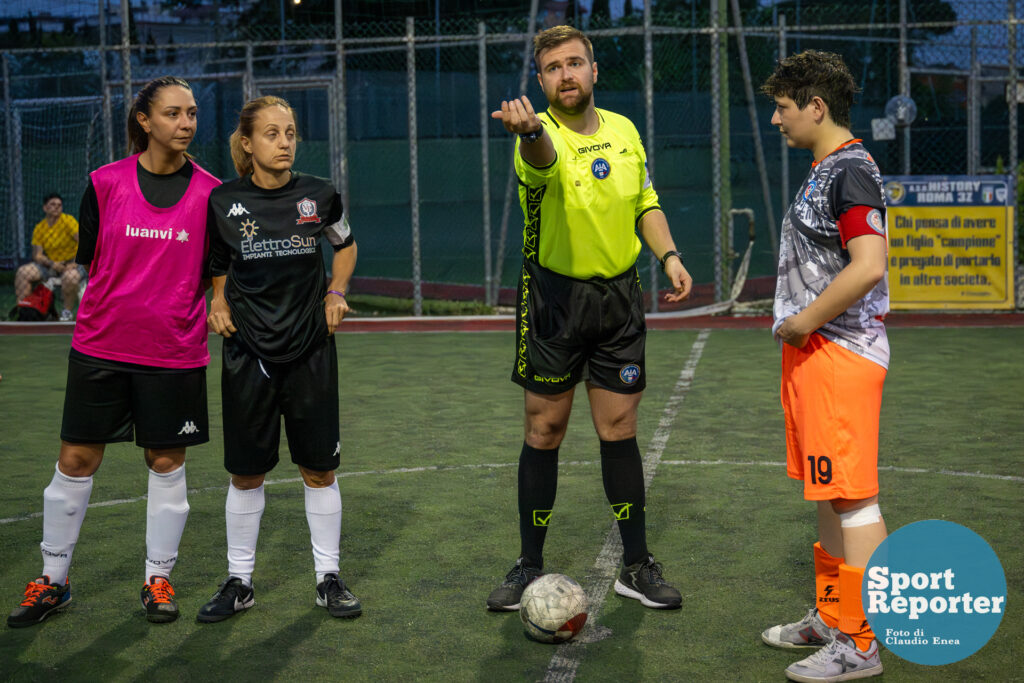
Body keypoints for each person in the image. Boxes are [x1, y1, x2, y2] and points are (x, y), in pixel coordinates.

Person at [485, 25, 693, 613]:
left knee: (619, 432)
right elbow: (541, 162)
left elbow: (644, 201)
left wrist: (669, 256)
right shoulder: (537, 135)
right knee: (543, 431)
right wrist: (528, 134)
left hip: (620, 303)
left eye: (575, 63)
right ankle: (529, 564)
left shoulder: (625, 130)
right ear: (541, 79)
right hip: (553, 304)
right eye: (552, 67)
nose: (565, 74)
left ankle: (636, 565)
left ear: (594, 70)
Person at [6, 76, 220, 628]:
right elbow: (92, 263)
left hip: (174, 351)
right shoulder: (104, 183)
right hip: (102, 347)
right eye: (173, 113)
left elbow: (216, 272)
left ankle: (158, 579)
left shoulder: (211, 192)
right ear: (144, 121)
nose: (186, 123)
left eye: (192, 113)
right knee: (76, 461)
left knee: (166, 462)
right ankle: (52, 582)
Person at [198, 95, 360, 623]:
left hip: (311, 349)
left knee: (319, 469)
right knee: (246, 473)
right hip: (248, 353)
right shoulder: (223, 202)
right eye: (271, 134)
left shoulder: (320, 195)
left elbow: (346, 245)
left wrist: (336, 292)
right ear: (247, 143)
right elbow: (218, 264)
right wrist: (217, 300)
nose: (285, 142)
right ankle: (239, 582)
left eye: (289, 132)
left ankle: (328, 578)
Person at [758, 51, 890, 683]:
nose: (777, 120)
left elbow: (869, 264)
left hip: (840, 354)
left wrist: (807, 321)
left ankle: (862, 644)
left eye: (783, 108)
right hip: (814, 355)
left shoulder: (852, 170)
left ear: (816, 106)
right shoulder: (824, 168)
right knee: (829, 494)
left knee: (854, 498)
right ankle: (834, 616)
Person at [14, 193, 85, 321]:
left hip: (72, 263)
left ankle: (66, 313)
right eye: (52, 205)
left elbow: (84, 244)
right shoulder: (40, 228)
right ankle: (25, 310)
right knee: (23, 272)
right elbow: (37, 255)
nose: (56, 208)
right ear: (45, 208)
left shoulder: (68, 221)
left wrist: (74, 263)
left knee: (71, 277)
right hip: (51, 265)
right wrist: (52, 264)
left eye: (59, 205)